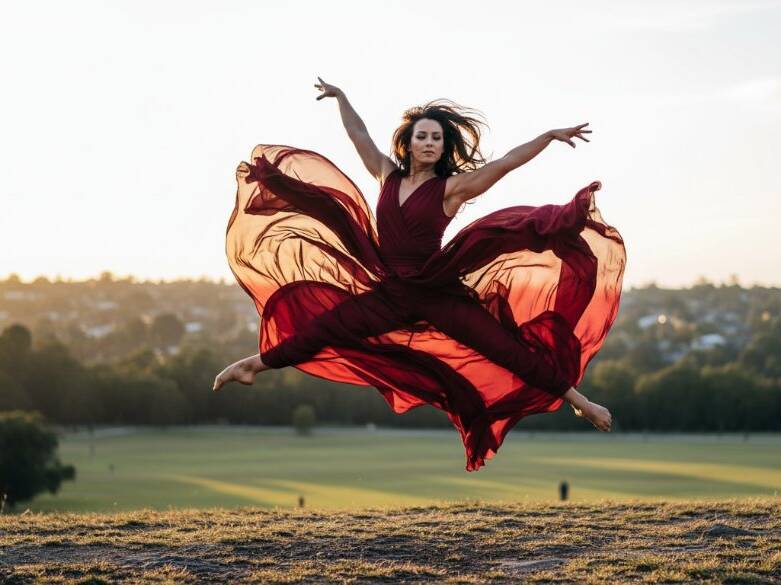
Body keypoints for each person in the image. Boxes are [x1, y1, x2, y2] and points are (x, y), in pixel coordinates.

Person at [212, 77, 626, 471]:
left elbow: (505, 164)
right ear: (408, 143)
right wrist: (341, 98)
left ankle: (581, 402)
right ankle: (253, 364)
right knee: (326, 327)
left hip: (436, 292)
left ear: (443, 147)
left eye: (436, 138)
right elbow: (359, 136)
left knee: (507, 349)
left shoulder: (452, 189)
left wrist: (548, 137)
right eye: (422, 136)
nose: (428, 143)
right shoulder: (385, 175)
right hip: (389, 293)